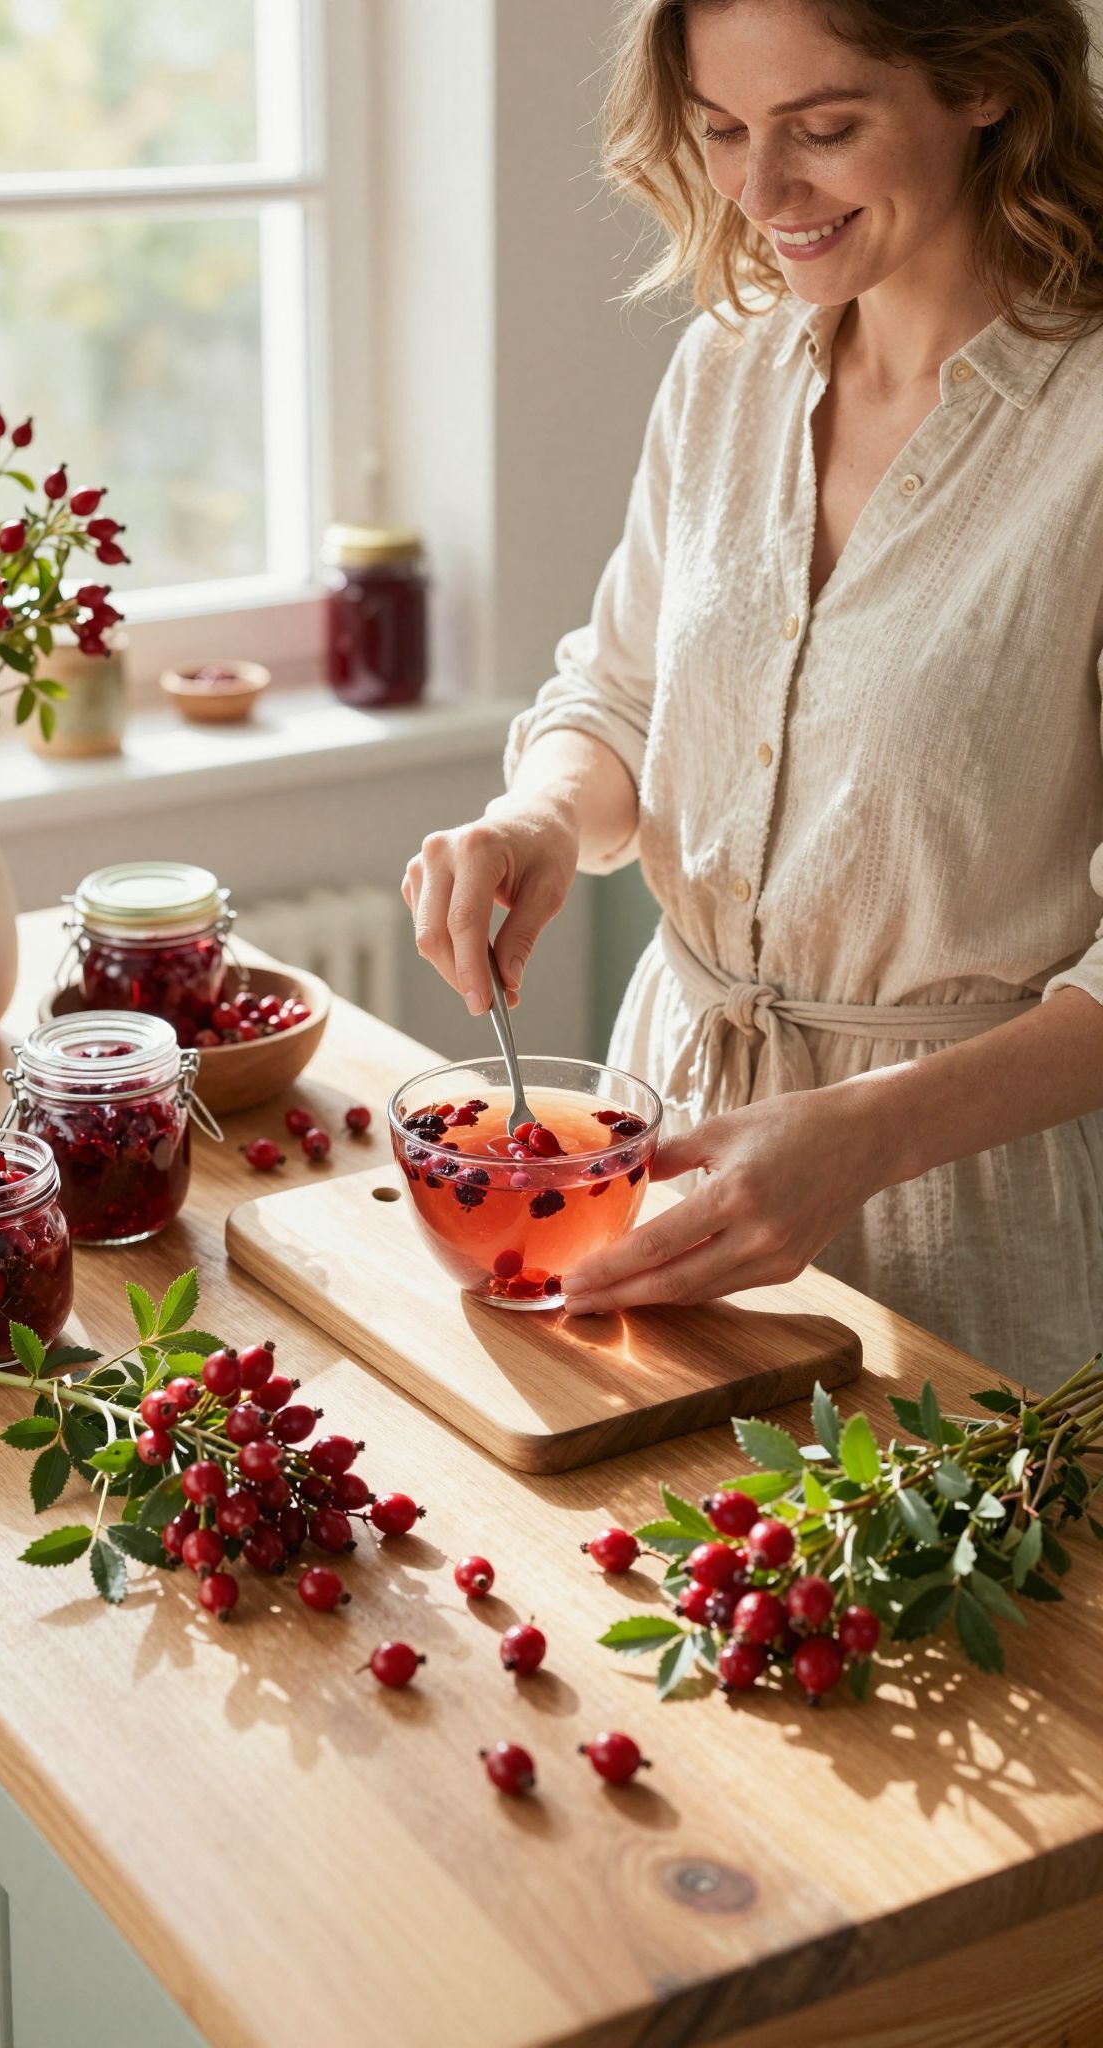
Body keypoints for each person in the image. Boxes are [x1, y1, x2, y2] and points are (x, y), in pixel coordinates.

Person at [402, 0, 1103, 1388]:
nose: (759, 194)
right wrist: (542, 819)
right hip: (669, 1146)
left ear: (983, 85)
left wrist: (869, 1132)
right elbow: (622, 690)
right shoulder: (727, 366)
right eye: (722, 132)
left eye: (825, 129)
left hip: (976, 1203)